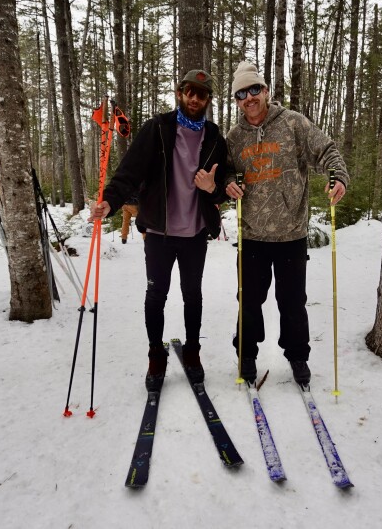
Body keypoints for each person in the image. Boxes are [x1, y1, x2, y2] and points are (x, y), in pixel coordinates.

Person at [89, 69, 229, 391]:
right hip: (159, 234)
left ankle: (192, 352)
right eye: (189, 91)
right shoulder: (158, 129)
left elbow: (222, 189)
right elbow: (129, 172)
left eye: (202, 94)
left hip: (195, 235)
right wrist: (109, 202)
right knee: (156, 295)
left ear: (208, 100)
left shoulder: (215, 138)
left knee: (193, 295)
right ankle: (156, 354)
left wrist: (212, 189)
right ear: (180, 93)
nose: (194, 98)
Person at [224, 60, 349, 386]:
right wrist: (226, 183)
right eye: (241, 94)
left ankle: (297, 357)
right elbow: (222, 170)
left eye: (254, 90)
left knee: (293, 302)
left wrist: (339, 180)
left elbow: (327, 151)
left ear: (265, 91)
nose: (249, 98)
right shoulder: (234, 138)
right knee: (248, 301)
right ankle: (246, 354)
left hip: (291, 234)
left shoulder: (294, 124)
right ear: (236, 100)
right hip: (252, 235)